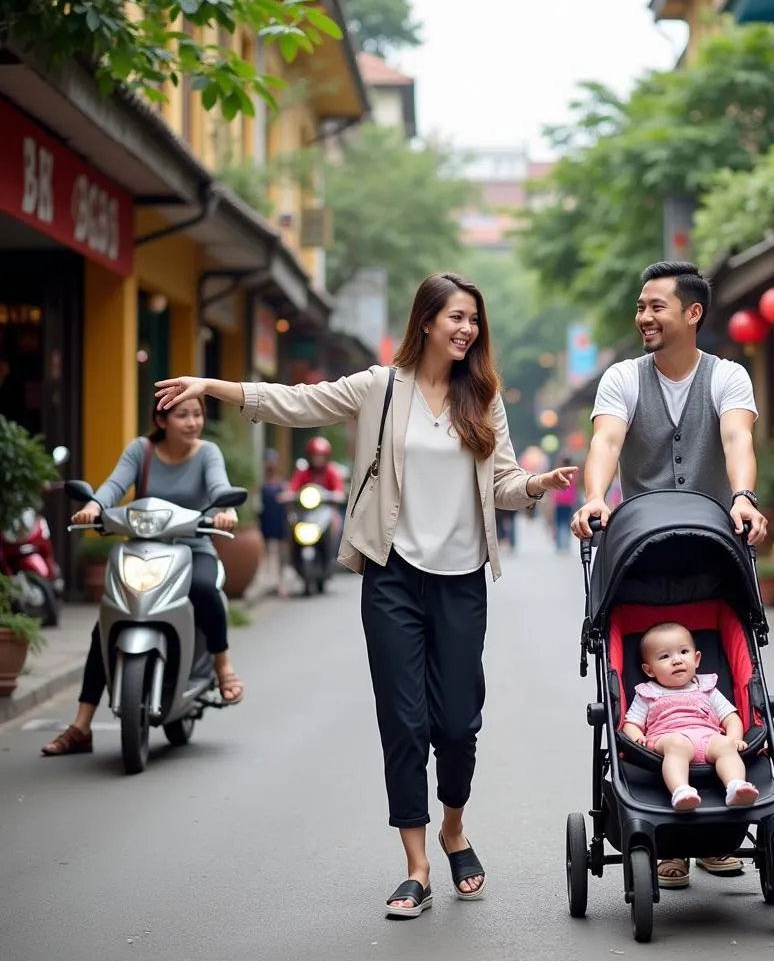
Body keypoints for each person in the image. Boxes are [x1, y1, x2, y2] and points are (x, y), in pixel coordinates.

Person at [154, 272, 577, 920]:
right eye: (456, 317)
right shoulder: (381, 387)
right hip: (393, 577)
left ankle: (454, 828)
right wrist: (214, 386)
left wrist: (538, 484)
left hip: (461, 579)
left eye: (474, 320)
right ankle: (415, 867)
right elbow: (298, 402)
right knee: (403, 722)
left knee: (458, 723)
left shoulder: (482, 396)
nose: (467, 329)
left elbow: (504, 483)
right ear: (427, 320)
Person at [570, 259, 767, 887]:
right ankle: (664, 838)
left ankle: (715, 834)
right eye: (640, 306)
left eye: (656, 306)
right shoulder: (623, 379)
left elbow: (737, 439)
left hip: (712, 553)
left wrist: (743, 496)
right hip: (641, 554)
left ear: (692, 314)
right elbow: (605, 442)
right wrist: (597, 496)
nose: (643, 318)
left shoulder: (727, 376)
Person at [41, 398, 243, 757]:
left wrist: (224, 510)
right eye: (183, 415)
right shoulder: (141, 450)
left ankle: (222, 666)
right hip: (143, 550)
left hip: (194, 550)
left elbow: (218, 487)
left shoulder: (207, 452)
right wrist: (93, 507)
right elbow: (113, 486)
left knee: (203, 589)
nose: (193, 422)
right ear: (161, 419)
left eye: (197, 414)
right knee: (106, 624)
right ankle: (81, 726)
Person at [622, 622, 759, 811]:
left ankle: (736, 786)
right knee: (677, 745)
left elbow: (731, 717)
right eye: (664, 656)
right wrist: (638, 739)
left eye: (683, 652)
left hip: (707, 738)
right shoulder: (648, 693)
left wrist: (733, 739)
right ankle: (681, 790)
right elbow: (631, 723)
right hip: (668, 738)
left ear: (696, 659)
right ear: (649, 670)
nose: (677, 660)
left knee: (725, 746)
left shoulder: (707, 687)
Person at [260, 448, 289, 597]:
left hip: (280, 521)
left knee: (281, 553)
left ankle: (280, 582)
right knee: (266, 553)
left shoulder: (281, 484)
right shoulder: (262, 485)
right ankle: (269, 581)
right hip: (266, 521)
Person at [550, 455, 578, 552]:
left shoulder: (558, 472)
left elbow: (554, 488)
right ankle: (566, 544)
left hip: (559, 501)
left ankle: (559, 544)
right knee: (567, 523)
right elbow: (575, 489)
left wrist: (552, 500)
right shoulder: (573, 474)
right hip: (569, 502)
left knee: (558, 522)